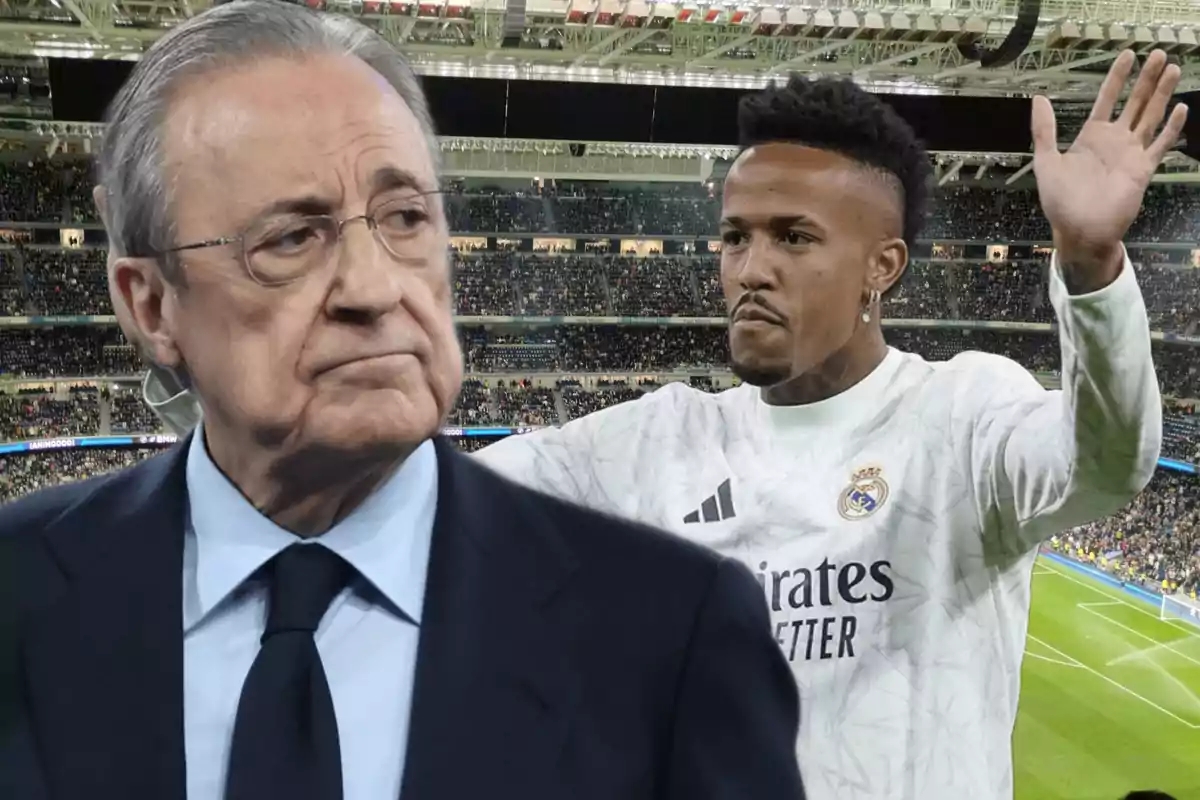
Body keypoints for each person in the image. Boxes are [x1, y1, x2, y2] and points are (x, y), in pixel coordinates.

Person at [137, 46, 1182, 800]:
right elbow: (422, 497)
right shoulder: (653, 442)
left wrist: (1090, 267)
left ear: (883, 267)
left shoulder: (959, 412)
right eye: (734, 235)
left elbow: (1105, 460)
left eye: (793, 237)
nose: (749, 267)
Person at [0, 3, 808, 800]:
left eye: (406, 218)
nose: (375, 287)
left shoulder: (671, 629)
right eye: (290, 238)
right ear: (149, 305)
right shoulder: (18, 589)